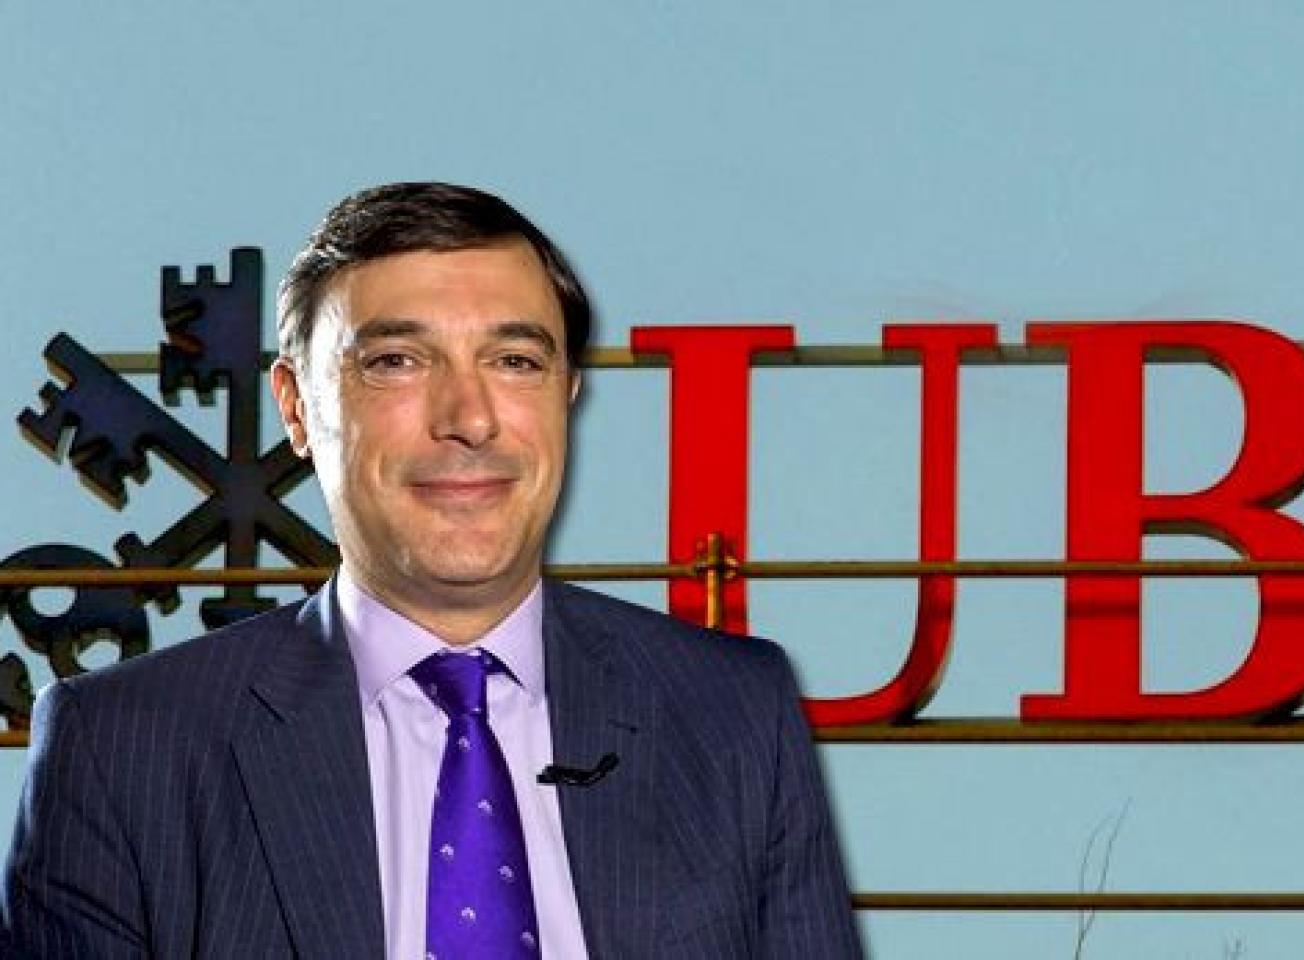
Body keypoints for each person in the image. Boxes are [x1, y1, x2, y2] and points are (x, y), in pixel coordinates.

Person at [2, 182, 864, 959]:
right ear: (296, 406)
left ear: (567, 393)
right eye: (397, 362)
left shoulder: (733, 714)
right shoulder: (122, 748)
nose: (469, 419)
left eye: (516, 361)